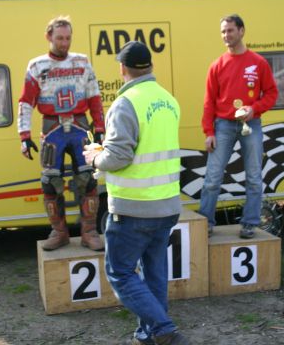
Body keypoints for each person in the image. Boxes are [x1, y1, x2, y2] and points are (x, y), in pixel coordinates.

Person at [83, 41, 189, 345]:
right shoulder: (169, 100)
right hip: (167, 206)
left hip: (133, 209)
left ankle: (164, 329)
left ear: (122, 68)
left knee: (120, 273)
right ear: (151, 66)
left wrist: (95, 158)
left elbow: (119, 157)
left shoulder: (125, 103)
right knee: (155, 274)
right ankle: (147, 335)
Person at [18, 16, 105, 251]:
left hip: (80, 127)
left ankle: (89, 232)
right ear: (48, 37)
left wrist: (99, 128)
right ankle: (59, 233)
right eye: (59, 38)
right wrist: (24, 136)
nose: (64, 43)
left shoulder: (82, 62)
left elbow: (94, 96)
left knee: (88, 180)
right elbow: (26, 101)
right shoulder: (36, 66)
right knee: (50, 183)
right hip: (52, 129)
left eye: (68, 38)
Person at [200, 14, 278, 239]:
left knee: (253, 177)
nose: (226, 35)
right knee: (212, 178)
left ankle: (250, 223)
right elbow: (209, 102)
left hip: (250, 124)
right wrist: (209, 132)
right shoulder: (217, 65)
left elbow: (272, 93)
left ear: (242, 31)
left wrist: (254, 109)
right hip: (223, 125)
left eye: (230, 30)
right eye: (223, 31)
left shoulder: (258, 63)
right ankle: (206, 223)